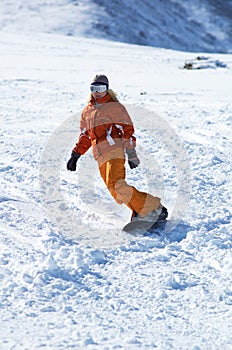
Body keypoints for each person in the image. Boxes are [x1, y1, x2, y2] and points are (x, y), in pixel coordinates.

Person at [67, 74, 168, 223]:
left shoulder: (114, 107)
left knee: (117, 185)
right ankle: (139, 210)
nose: (97, 92)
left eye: (101, 88)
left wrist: (131, 152)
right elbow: (86, 136)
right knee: (115, 191)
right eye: (94, 88)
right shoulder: (87, 111)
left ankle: (153, 208)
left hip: (114, 150)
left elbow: (127, 130)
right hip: (100, 155)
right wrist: (76, 154)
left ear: (107, 89)